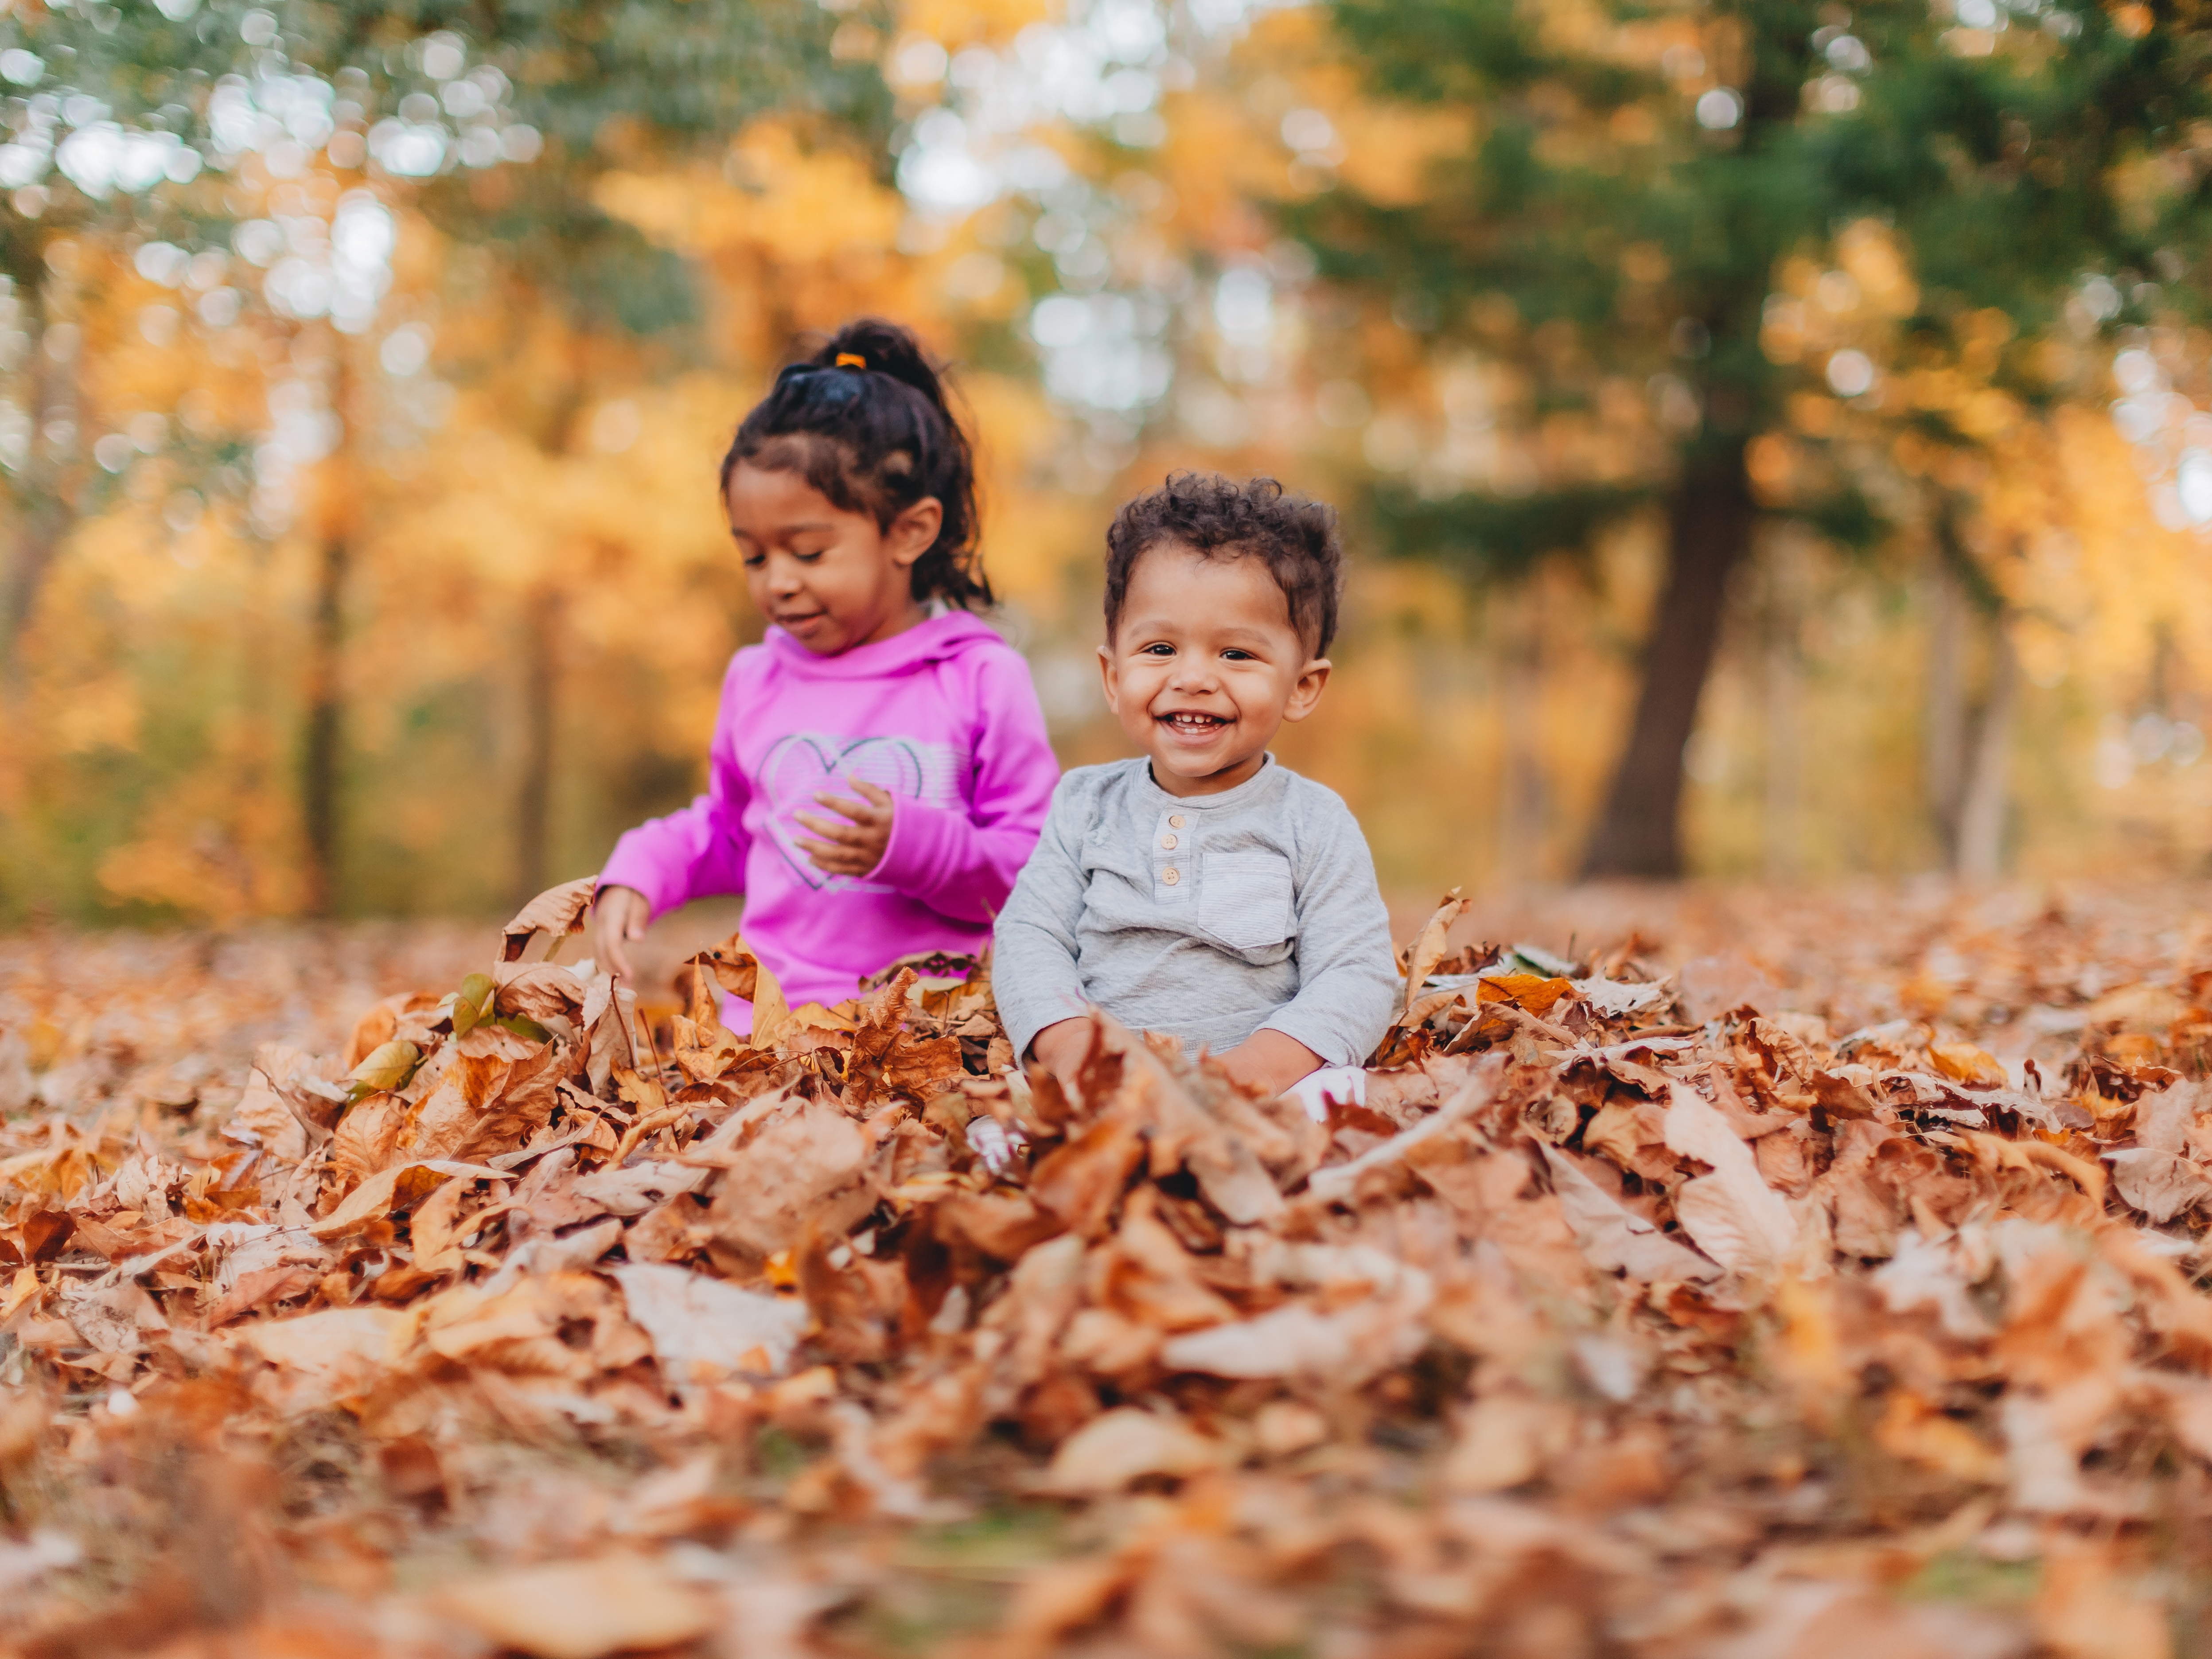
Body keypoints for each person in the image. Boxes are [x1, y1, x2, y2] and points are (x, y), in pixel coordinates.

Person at [592, 319, 1059, 1014]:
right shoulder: (757, 678)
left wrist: (915, 848)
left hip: (935, 1025)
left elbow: (1037, 873)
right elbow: (729, 831)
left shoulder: (980, 678)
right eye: (754, 556)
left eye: (808, 552)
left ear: (909, 531)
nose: (777, 581)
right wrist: (641, 870)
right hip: (770, 1028)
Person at [993, 471, 1400, 1104]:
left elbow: (1357, 973)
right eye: (1159, 648)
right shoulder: (1084, 806)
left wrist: (1253, 1071)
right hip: (1101, 1084)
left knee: (1346, 1107)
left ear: (1302, 687)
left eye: (1236, 655)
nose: (1193, 678)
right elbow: (1030, 935)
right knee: (997, 1138)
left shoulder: (1312, 821)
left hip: (1262, 1089)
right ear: (1113, 673)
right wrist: (1071, 1041)